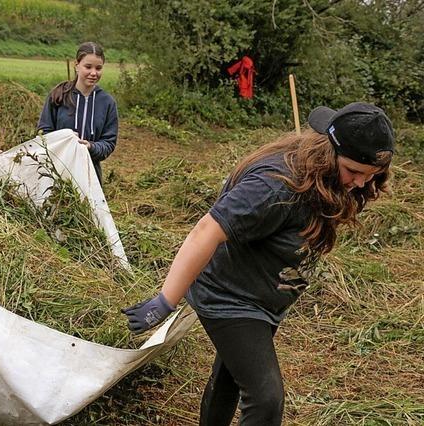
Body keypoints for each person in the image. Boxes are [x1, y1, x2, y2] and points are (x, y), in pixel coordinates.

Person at [122, 102, 395, 425]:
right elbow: (205, 231)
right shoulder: (274, 186)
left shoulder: (324, 178)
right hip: (230, 297)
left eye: (370, 176)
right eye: (354, 172)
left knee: (230, 377)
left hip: (260, 295)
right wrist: (166, 299)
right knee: (266, 400)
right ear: (327, 150)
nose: (361, 183)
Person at [37, 41, 118, 184]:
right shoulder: (58, 95)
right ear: (77, 65)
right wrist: (63, 138)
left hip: (90, 175)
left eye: (98, 68)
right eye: (88, 67)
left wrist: (91, 147)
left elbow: (109, 143)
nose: (93, 73)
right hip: (55, 174)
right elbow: (43, 131)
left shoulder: (107, 102)